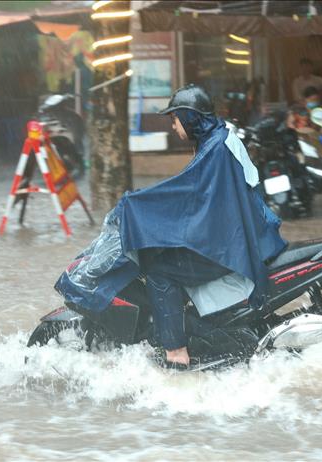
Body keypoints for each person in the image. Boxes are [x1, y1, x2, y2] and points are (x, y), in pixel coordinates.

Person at [55, 84, 287, 369]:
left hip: (234, 243)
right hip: (242, 233)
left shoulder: (215, 149)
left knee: (159, 272)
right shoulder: (220, 137)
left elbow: (186, 193)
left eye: (175, 120)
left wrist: (134, 205)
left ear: (189, 118)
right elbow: (193, 195)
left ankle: (176, 352)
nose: (174, 127)